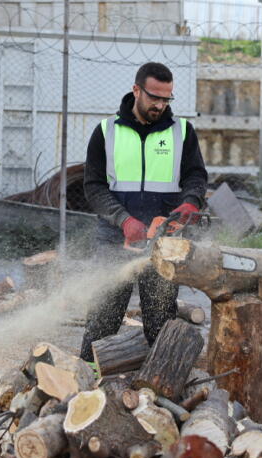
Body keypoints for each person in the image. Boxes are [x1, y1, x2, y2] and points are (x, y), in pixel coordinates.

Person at [79, 62, 208, 370]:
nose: (160, 105)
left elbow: (195, 177)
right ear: (136, 90)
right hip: (114, 238)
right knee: (102, 318)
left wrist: (190, 202)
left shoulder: (183, 132)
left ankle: (159, 386)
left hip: (164, 243)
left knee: (160, 321)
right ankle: (85, 379)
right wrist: (123, 220)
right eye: (154, 97)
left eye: (167, 99)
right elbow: (93, 187)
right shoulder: (106, 131)